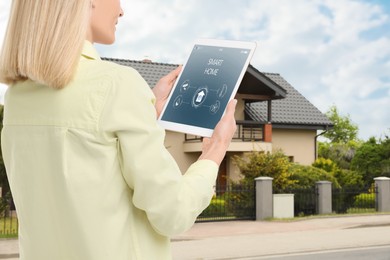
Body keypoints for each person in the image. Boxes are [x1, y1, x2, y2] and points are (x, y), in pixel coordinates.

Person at [0, 1, 237, 259]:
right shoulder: (118, 84)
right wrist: (214, 151)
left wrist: (144, 112)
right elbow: (174, 213)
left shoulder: (17, 97)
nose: (121, 11)